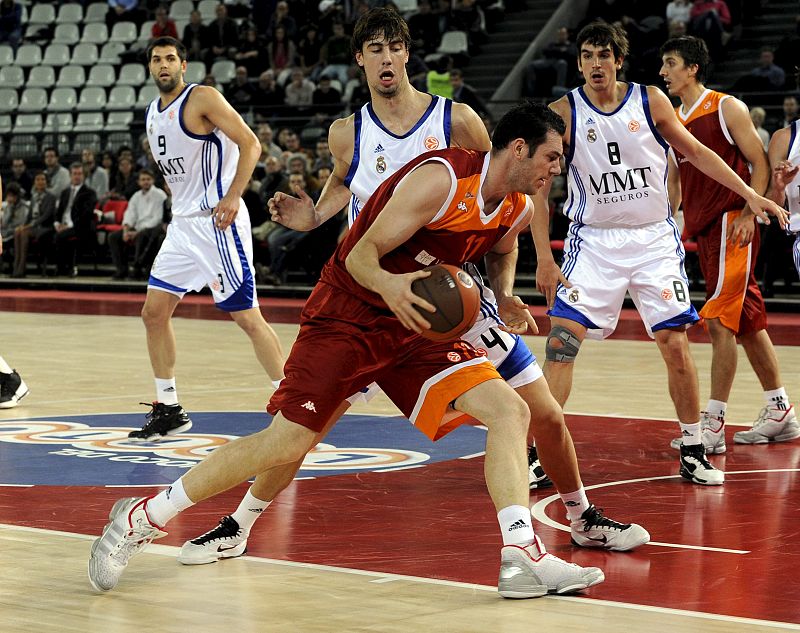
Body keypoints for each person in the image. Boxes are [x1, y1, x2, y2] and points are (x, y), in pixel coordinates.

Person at [179, 9, 647, 566]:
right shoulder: (346, 132)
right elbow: (342, 189)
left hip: (451, 297)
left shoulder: (458, 120)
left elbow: (504, 202)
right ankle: (239, 523)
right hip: (369, 298)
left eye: (392, 47)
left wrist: (502, 290)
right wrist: (312, 218)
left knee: (539, 409)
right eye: (372, 48)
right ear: (360, 59)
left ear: (405, 54)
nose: (383, 58)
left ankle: (580, 516)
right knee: (303, 432)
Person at [88, 101, 608, 599]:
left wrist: (503, 295)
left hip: (416, 326)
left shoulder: (517, 206)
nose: (558, 168)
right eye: (552, 156)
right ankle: (142, 518)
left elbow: (501, 246)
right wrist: (393, 287)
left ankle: (521, 555)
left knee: (510, 410)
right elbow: (360, 256)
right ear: (518, 149)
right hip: (350, 313)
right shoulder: (443, 179)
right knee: (286, 443)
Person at [531, 22, 787, 488]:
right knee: (562, 343)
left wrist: (751, 194)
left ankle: (693, 447)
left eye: (604, 56)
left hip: (652, 240)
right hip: (593, 241)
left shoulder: (649, 101)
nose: (595, 64)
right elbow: (538, 185)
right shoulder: (563, 112)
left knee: (674, 342)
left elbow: (698, 153)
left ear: (619, 60)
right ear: (579, 62)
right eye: (587, 56)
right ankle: (538, 451)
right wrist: (544, 259)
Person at [123, 37, 285, 442]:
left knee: (247, 318)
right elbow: (176, 174)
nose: (163, 65)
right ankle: (170, 407)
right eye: (156, 60)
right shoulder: (151, 115)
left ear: (184, 65)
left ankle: (291, 406)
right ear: (149, 68)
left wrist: (232, 196)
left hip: (218, 223)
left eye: (170, 59)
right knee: (153, 313)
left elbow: (251, 143)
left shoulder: (202, 98)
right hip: (183, 226)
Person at [659, 36, 798, 451]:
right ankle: (780, 410)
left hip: (729, 225)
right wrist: (667, 222)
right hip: (703, 229)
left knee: (720, 322)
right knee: (749, 323)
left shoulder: (725, 107)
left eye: (670, 63)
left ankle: (714, 423)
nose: (663, 72)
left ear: (692, 69)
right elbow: (676, 180)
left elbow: (760, 161)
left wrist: (745, 215)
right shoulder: (673, 119)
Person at [108, 169, 167, 280]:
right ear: (139, 182)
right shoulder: (136, 196)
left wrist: (137, 232)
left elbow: (158, 218)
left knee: (142, 235)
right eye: (143, 180)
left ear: (153, 180)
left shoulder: (160, 195)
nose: (145, 182)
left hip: (151, 229)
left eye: (148, 179)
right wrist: (126, 230)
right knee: (113, 237)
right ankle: (121, 270)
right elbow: (130, 214)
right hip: (136, 227)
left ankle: (137, 269)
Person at [50, 162, 97, 277]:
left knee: (60, 237)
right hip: (63, 225)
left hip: (80, 226)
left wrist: (69, 225)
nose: (77, 176)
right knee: (46, 234)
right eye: (75, 174)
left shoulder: (89, 193)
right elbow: (59, 211)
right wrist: (57, 224)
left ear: (83, 176)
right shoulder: (65, 192)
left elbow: (86, 214)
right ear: (70, 175)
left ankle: (63, 267)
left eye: (79, 174)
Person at [12, 171, 56, 278]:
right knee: (18, 231)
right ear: (34, 183)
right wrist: (24, 225)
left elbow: (46, 216)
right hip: (33, 226)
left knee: (24, 233)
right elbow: (29, 217)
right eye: (38, 180)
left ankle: (21, 268)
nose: (40, 182)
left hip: (45, 227)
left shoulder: (51, 197)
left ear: (46, 182)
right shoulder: (33, 197)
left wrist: (30, 226)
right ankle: (16, 267)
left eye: (42, 179)